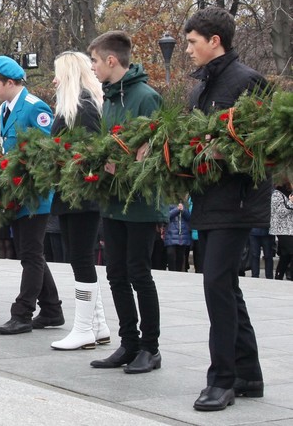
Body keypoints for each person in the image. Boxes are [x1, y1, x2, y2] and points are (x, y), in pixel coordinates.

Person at [184, 6, 271, 412]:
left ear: (214, 41)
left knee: (216, 285)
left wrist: (224, 150)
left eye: (192, 42)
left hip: (237, 201)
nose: (187, 49)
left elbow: (264, 145)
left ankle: (221, 381)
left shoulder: (248, 81)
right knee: (226, 286)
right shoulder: (199, 89)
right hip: (208, 200)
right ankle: (248, 374)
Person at [87, 30, 165, 372]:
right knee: (116, 274)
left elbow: (155, 152)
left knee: (139, 273)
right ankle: (129, 343)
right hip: (114, 200)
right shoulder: (109, 99)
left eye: (94, 61)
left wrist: (128, 162)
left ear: (111, 60)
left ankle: (150, 348)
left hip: (141, 203)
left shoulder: (146, 97)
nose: (93, 68)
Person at [0, 56, 64, 334]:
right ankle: (52, 310)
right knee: (30, 252)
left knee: (30, 254)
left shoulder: (35, 107)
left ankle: (22, 313)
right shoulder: (4, 109)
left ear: (10, 82)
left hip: (34, 194)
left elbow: (48, 150)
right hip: (15, 192)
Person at [46, 51, 110, 350]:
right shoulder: (77, 106)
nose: (54, 80)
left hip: (82, 196)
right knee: (79, 258)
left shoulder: (82, 107)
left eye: (58, 73)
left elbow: (90, 152)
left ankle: (84, 328)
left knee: (81, 259)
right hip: (74, 194)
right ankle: (98, 325)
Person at [270, 182, 293, 280]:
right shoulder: (277, 194)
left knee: (286, 254)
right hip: (282, 229)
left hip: (291, 229)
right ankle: (287, 274)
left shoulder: (290, 193)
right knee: (289, 251)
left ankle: (280, 274)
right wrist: (291, 202)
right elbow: (280, 212)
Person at [164, 201, 193, 273]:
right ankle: (171, 272)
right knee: (170, 254)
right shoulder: (168, 201)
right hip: (171, 233)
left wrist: (183, 210)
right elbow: (166, 216)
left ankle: (178, 273)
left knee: (180, 257)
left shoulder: (185, 204)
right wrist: (176, 209)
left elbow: (189, 217)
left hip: (183, 234)